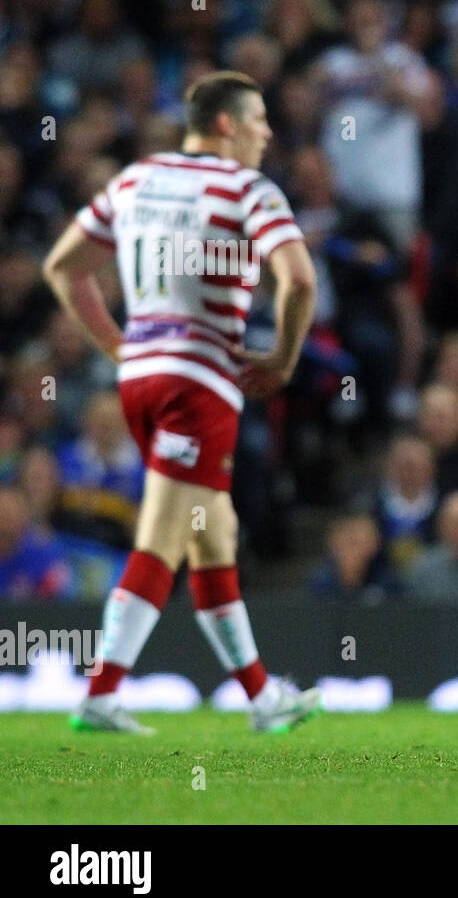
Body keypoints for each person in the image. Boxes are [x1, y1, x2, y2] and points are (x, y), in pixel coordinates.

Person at [41, 71, 322, 734]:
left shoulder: (138, 178)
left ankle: (261, 699)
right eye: (258, 119)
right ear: (225, 124)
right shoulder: (247, 189)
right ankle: (102, 693)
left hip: (140, 379)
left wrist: (119, 347)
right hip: (200, 384)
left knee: (210, 531)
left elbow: (64, 267)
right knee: (166, 535)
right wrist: (281, 359)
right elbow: (300, 280)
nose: (267, 133)